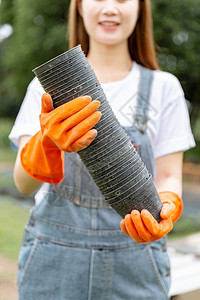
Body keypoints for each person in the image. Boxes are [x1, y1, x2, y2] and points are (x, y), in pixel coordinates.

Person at [9, 0, 195, 299]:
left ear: (140, 8)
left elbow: (170, 176)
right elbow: (23, 183)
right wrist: (46, 143)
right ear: (79, 7)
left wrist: (167, 204)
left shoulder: (164, 88)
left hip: (136, 261)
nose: (110, 8)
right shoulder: (45, 89)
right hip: (54, 258)